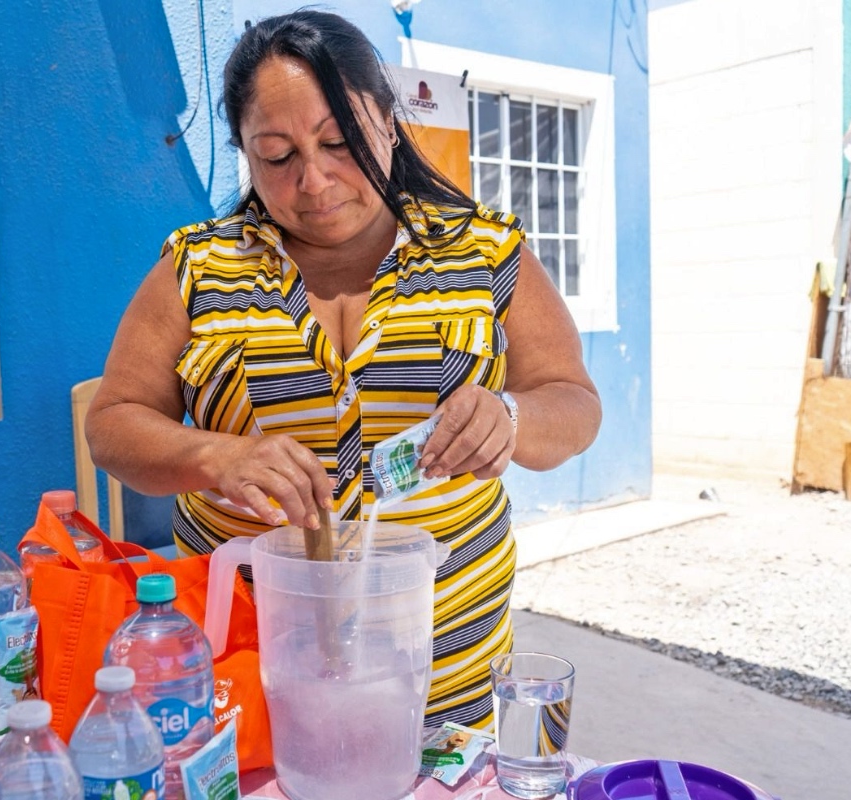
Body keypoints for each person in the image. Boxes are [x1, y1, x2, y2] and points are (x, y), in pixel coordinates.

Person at [86, 10, 601, 728]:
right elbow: (112, 425)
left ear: (388, 123)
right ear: (243, 152)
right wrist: (216, 455)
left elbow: (573, 402)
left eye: (340, 141)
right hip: (250, 671)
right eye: (276, 154)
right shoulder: (198, 268)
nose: (315, 179)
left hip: (446, 677)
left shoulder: (484, 253)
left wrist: (510, 419)